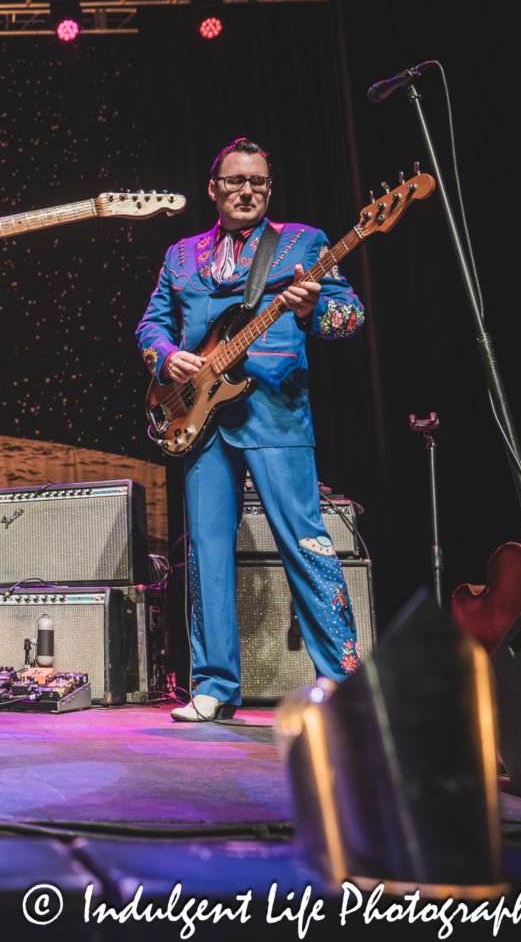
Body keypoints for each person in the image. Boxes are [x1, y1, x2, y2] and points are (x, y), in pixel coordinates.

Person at [135, 138, 366, 722]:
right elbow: (151, 324)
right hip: (200, 419)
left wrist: (313, 309)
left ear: (269, 189)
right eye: (236, 181)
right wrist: (167, 357)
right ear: (214, 188)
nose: (247, 191)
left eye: (258, 183)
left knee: (306, 543)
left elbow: (350, 316)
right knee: (207, 554)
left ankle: (339, 680)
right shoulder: (181, 255)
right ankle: (213, 686)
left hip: (276, 417)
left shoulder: (302, 244)